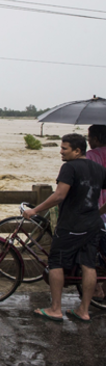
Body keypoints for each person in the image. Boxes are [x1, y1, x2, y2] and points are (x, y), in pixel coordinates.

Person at [23, 133, 106, 322]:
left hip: (72, 225)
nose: (61, 152)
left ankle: (55, 308)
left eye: (64, 148)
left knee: (56, 263)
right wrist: (99, 211)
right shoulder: (99, 169)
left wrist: (35, 210)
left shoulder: (69, 168)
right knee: (88, 264)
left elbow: (59, 196)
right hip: (93, 223)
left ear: (77, 150)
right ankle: (83, 311)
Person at [86, 124, 106, 300]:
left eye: (90, 137)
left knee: (90, 248)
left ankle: (97, 288)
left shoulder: (91, 156)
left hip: (97, 208)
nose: (89, 140)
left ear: (97, 138)